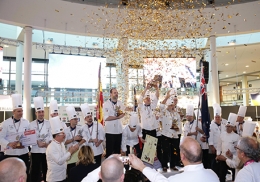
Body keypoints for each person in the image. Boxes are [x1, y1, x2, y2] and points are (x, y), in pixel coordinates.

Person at [130, 137, 219, 182]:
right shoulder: (213, 175)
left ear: (182, 157)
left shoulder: (177, 179)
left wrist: (142, 167)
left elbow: (159, 179)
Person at [0, 94, 30, 180]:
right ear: (13, 111)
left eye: (22, 111)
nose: (21, 113)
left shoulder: (26, 122)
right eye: (18, 111)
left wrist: (26, 143)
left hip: (23, 153)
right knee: (10, 176)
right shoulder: (5, 123)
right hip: (10, 153)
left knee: (24, 174)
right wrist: (9, 143)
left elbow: (29, 136)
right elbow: (0, 137)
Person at [46, 116, 79, 182]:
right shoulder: (52, 146)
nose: (64, 135)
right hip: (54, 178)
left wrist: (71, 151)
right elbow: (60, 161)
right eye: (62, 134)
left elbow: (66, 158)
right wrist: (70, 152)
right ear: (57, 135)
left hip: (63, 176)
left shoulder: (61, 144)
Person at [29, 96, 52, 182]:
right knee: (35, 171)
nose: (41, 114)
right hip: (35, 151)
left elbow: (50, 135)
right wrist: (36, 142)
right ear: (36, 113)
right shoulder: (31, 124)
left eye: (42, 112)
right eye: (39, 112)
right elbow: (29, 137)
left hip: (46, 150)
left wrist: (46, 144)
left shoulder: (49, 123)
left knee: (47, 169)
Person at [159, 91, 182, 171]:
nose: (172, 106)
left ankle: (173, 165)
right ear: (168, 105)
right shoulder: (164, 112)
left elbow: (179, 122)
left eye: (172, 105)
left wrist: (177, 128)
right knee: (165, 150)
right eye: (170, 105)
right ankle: (164, 165)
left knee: (174, 151)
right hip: (165, 134)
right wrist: (166, 97)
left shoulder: (176, 113)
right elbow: (161, 105)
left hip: (174, 135)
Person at [216, 113, 240, 182]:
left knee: (234, 175)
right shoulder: (222, 135)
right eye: (227, 126)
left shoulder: (236, 137)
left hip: (233, 158)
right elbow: (219, 145)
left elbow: (237, 148)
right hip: (223, 158)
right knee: (222, 174)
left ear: (232, 127)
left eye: (229, 126)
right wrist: (218, 154)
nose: (227, 128)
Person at [103, 88, 126, 157]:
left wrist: (124, 113)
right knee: (110, 152)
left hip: (118, 131)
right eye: (114, 93)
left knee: (117, 152)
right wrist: (117, 117)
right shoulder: (106, 104)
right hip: (110, 131)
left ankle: (117, 166)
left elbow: (124, 111)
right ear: (110, 94)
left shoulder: (120, 103)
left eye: (117, 93)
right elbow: (106, 118)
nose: (116, 94)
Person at [64, 106, 86, 180]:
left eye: (77, 119)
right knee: (70, 172)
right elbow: (64, 142)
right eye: (75, 119)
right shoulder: (66, 130)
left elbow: (85, 138)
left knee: (79, 172)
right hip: (70, 152)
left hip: (79, 152)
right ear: (70, 120)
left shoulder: (80, 128)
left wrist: (78, 144)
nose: (76, 120)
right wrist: (74, 139)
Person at [208, 103, 227, 173]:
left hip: (222, 147)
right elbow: (210, 137)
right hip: (215, 147)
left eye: (218, 117)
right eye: (216, 117)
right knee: (215, 163)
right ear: (214, 117)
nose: (217, 118)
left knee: (222, 164)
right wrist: (212, 146)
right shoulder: (211, 126)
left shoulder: (223, 125)